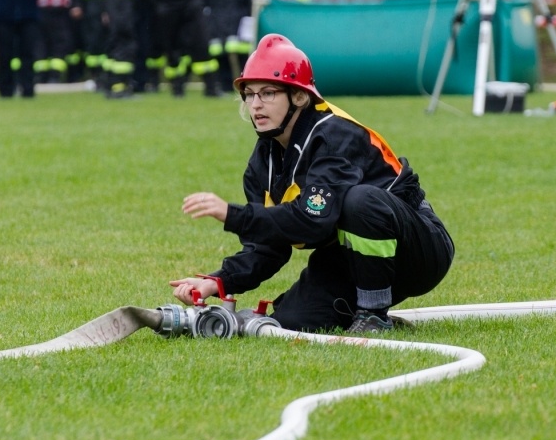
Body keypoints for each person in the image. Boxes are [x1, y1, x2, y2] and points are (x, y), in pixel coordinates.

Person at [169, 34, 455, 333]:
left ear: (299, 97)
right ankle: (362, 312)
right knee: (290, 321)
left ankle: (373, 315)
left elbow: (311, 221)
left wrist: (233, 215)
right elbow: (268, 246)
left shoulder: (333, 136)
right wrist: (218, 281)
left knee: (360, 202)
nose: (256, 105)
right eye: (249, 95)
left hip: (421, 251)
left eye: (268, 93)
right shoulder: (261, 163)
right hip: (348, 254)